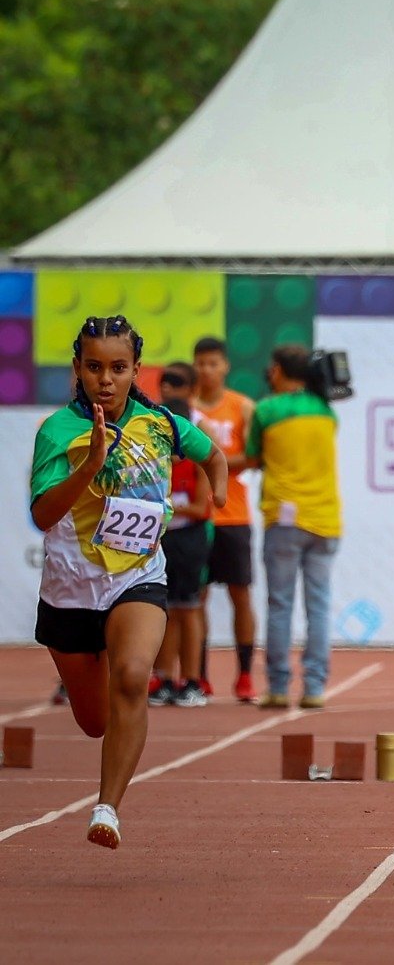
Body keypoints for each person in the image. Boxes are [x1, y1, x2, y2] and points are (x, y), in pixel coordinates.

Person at [31, 316, 225, 848]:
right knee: (95, 722)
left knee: (135, 675)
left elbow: (212, 453)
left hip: (136, 576)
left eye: (118, 367)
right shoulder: (58, 432)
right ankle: (104, 766)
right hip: (70, 588)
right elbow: (45, 516)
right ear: (78, 369)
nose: (106, 379)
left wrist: (220, 489)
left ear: (136, 369)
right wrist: (90, 462)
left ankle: (107, 809)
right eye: (94, 367)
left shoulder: (161, 422)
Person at [247, 345, 342, 711]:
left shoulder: (266, 409)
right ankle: (315, 687)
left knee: (280, 604)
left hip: (284, 519)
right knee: (318, 605)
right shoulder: (327, 412)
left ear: (277, 371)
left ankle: (278, 687)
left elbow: (254, 456)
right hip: (326, 519)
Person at [191, 337, 259, 703]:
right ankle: (198, 675)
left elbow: (252, 457)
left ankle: (245, 674)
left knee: (240, 596)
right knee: (194, 600)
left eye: (213, 363)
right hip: (197, 518)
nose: (207, 370)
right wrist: (218, 459)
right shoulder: (186, 410)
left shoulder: (242, 407)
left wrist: (210, 459)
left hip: (234, 516)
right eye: (200, 363)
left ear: (225, 365)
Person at [149, 362, 215, 709]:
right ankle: (163, 678)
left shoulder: (196, 456)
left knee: (188, 609)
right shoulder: (155, 459)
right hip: (161, 538)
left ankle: (192, 680)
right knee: (164, 611)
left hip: (189, 539)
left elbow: (202, 508)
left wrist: (167, 505)